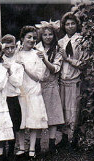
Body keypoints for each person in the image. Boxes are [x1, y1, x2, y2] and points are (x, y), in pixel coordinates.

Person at [15, 26, 48, 157]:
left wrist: (25, 67)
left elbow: (38, 77)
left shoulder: (38, 54)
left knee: (34, 120)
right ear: (22, 38)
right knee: (21, 120)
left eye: (34, 38)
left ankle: (32, 148)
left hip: (33, 89)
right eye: (29, 37)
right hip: (20, 89)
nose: (32, 40)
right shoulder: (16, 54)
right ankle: (22, 147)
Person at [35, 20, 65, 153]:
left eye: (50, 34)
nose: (48, 37)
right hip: (38, 85)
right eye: (45, 34)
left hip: (52, 84)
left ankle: (52, 144)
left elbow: (55, 69)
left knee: (53, 115)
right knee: (38, 115)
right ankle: (36, 144)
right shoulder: (36, 48)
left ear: (54, 35)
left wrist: (45, 59)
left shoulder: (58, 49)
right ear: (41, 36)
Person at [57, 12, 86, 148]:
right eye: (67, 24)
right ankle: (63, 137)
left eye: (72, 23)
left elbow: (83, 63)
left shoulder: (81, 41)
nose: (70, 26)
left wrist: (67, 59)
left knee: (74, 109)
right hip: (63, 80)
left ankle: (74, 138)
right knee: (63, 108)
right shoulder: (60, 42)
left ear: (77, 25)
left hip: (75, 80)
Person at [1, 34, 24, 161]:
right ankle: (1, 153)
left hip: (13, 97)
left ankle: (11, 153)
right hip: (1, 98)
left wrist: (9, 72)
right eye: (7, 48)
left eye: (12, 47)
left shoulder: (18, 63)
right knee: (2, 125)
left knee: (14, 126)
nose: (9, 51)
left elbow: (17, 82)